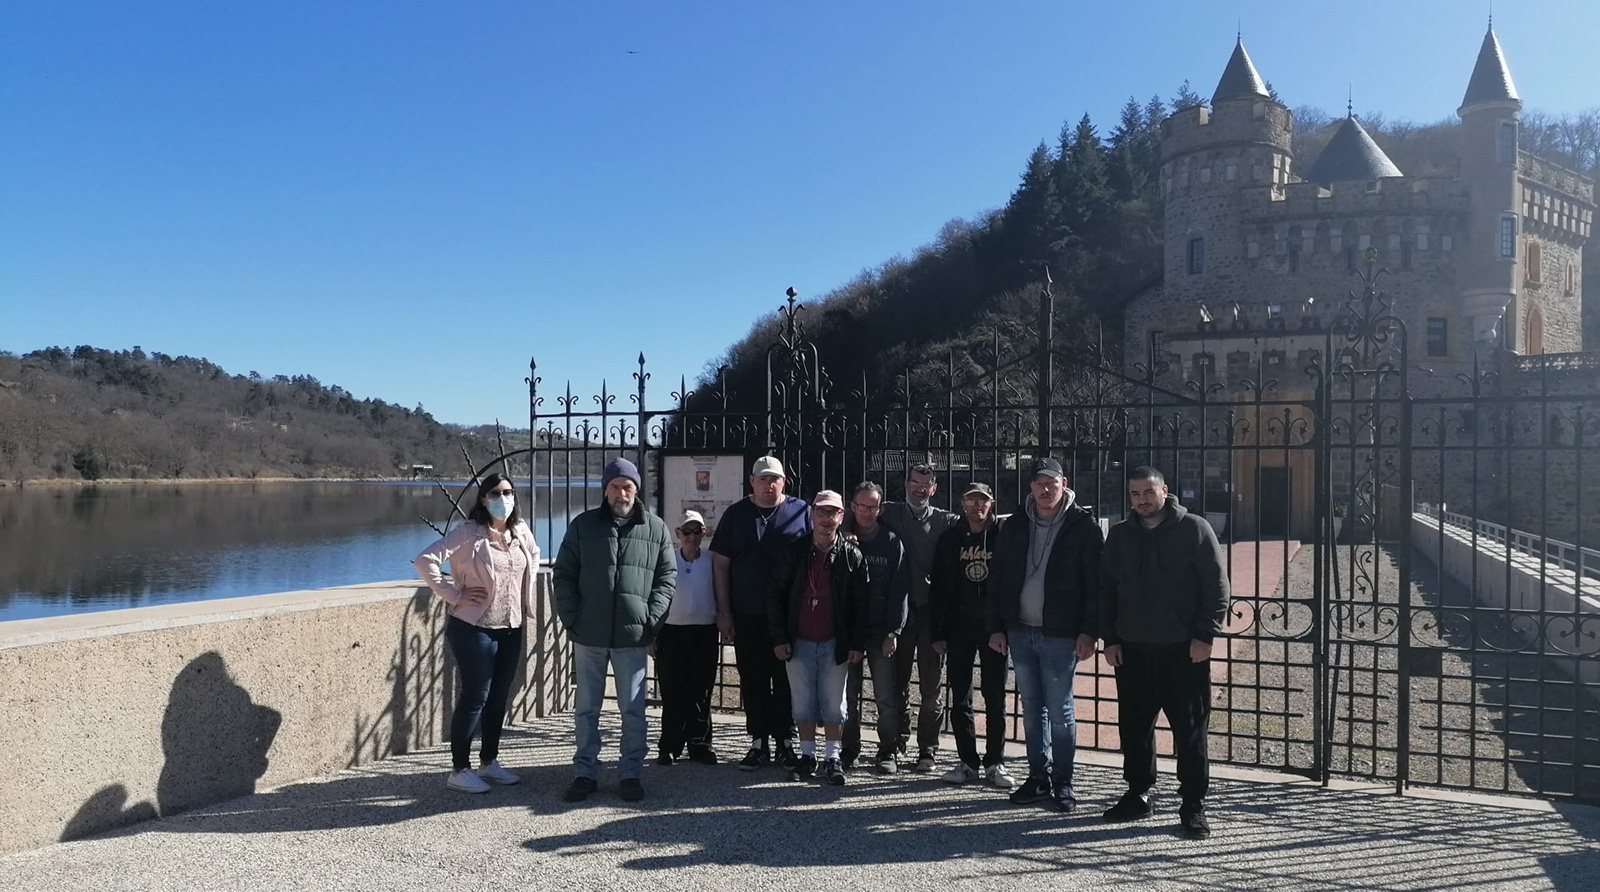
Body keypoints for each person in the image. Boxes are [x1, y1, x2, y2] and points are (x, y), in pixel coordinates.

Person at [1099, 467, 1229, 840]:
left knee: (1190, 733)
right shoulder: (1121, 536)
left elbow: (1216, 586)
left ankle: (1193, 804)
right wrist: (1110, 638)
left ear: (1164, 491)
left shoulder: (1194, 530)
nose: (1141, 500)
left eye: (1147, 492)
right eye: (1134, 494)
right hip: (1133, 651)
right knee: (1135, 729)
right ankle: (1138, 793)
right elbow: (1105, 588)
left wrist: (1206, 635)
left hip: (1183, 651)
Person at [552, 457, 675, 803]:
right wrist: (573, 617)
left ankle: (631, 773)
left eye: (628, 487)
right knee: (587, 708)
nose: (622, 492)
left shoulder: (655, 529)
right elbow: (563, 574)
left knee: (633, 709)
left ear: (636, 491)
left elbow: (667, 578)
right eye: (615, 486)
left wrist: (651, 620)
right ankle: (584, 772)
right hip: (588, 634)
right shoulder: (583, 525)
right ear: (605, 490)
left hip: (632, 636)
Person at [987, 457, 1101, 813]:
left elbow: (1095, 586)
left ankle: (1063, 780)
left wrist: (1089, 631)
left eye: (1052, 482)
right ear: (1031, 488)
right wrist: (995, 626)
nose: (1046, 489)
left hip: (1061, 634)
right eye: (1039, 483)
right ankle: (1038, 776)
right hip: (1020, 631)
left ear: (1064, 483)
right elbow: (998, 577)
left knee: (1061, 711)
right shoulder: (1016, 524)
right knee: (1032, 708)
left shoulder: (1083, 526)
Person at [414, 472, 540, 794]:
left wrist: (525, 595)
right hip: (474, 628)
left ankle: (489, 761)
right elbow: (426, 560)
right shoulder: (469, 533)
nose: (504, 499)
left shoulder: (519, 531)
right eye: (496, 493)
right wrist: (455, 594)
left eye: (509, 492)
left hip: (511, 627)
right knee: (475, 697)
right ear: (484, 499)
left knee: (499, 697)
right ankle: (459, 769)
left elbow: (534, 557)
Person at [711, 455, 812, 771]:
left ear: (784, 482)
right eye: (763, 478)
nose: (769, 484)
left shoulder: (801, 512)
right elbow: (720, 564)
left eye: (775, 479)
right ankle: (758, 743)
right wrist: (724, 612)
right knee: (752, 679)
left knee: (786, 681)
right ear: (751, 481)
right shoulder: (735, 514)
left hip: (789, 615)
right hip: (748, 612)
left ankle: (785, 741)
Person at [767, 490, 869, 785]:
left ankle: (833, 757)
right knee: (802, 703)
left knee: (834, 704)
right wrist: (778, 637)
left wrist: (856, 643)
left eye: (833, 513)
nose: (827, 519)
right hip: (798, 640)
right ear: (812, 514)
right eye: (821, 512)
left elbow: (862, 604)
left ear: (841, 516)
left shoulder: (852, 555)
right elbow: (775, 594)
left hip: (835, 642)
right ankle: (808, 755)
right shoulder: (794, 551)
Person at [875, 462, 961, 772]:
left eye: (926, 485)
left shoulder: (944, 521)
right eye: (915, 482)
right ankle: (896, 742)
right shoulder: (890, 512)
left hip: (929, 614)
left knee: (931, 687)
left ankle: (928, 748)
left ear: (934, 489)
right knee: (896, 684)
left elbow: (978, 527)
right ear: (906, 483)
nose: (919, 489)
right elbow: (858, 513)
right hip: (897, 612)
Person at [931, 482, 1015, 790]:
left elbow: (1011, 580)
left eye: (983, 501)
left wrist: (1005, 626)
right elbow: (938, 586)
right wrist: (938, 631)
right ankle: (968, 761)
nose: (977, 506)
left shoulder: (1003, 535)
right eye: (971, 500)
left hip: (993, 627)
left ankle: (995, 762)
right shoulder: (950, 538)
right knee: (961, 696)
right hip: (959, 626)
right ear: (962, 503)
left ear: (991, 504)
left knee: (995, 696)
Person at [839, 482, 910, 774]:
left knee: (885, 696)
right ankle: (849, 749)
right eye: (862, 506)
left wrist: (894, 632)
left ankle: (887, 751)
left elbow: (900, 591)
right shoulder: (840, 540)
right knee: (848, 695)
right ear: (852, 506)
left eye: (873, 507)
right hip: (849, 632)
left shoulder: (892, 542)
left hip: (880, 631)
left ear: (881, 509)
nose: (867, 512)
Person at [653, 509, 720, 766]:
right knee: (672, 690)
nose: (691, 537)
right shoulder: (666, 559)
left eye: (697, 531)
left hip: (704, 629)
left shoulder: (712, 559)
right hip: (672, 630)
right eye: (686, 532)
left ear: (704, 532)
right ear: (677, 534)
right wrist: (652, 634)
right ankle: (669, 745)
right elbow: (655, 597)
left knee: (701, 691)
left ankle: (700, 744)